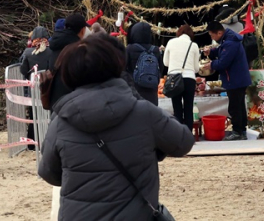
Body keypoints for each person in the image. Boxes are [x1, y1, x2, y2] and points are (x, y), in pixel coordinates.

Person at [37, 35, 194, 220]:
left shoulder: (60, 121)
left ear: (69, 74)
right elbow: (183, 142)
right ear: (116, 66)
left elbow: (49, 173)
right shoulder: (144, 113)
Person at [205, 21, 251, 141]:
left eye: (212, 35)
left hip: (235, 79)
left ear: (219, 33)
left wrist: (211, 65)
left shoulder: (230, 43)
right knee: (239, 105)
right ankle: (242, 131)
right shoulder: (227, 41)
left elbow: (223, 62)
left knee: (235, 107)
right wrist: (211, 52)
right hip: (238, 78)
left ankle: (237, 131)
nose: (212, 38)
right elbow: (222, 51)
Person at [162, 24, 201, 129]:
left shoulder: (171, 42)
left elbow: (165, 63)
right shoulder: (193, 45)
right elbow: (196, 68)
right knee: (188, 108)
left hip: (174, 78)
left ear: (179, 33)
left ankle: (178, 134)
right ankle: (188, 134)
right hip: (189, 79)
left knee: (177, 108)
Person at [45, 13, 88, 107]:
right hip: (73, 103)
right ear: (82, 30)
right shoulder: (79, 49)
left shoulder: (54, 45)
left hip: (55, 102)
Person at [124, 21, 162, 104]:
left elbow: (123, 68)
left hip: (135, 90)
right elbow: (160, 69)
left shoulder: (130, 48)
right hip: (152, 90)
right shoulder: (155, 50)